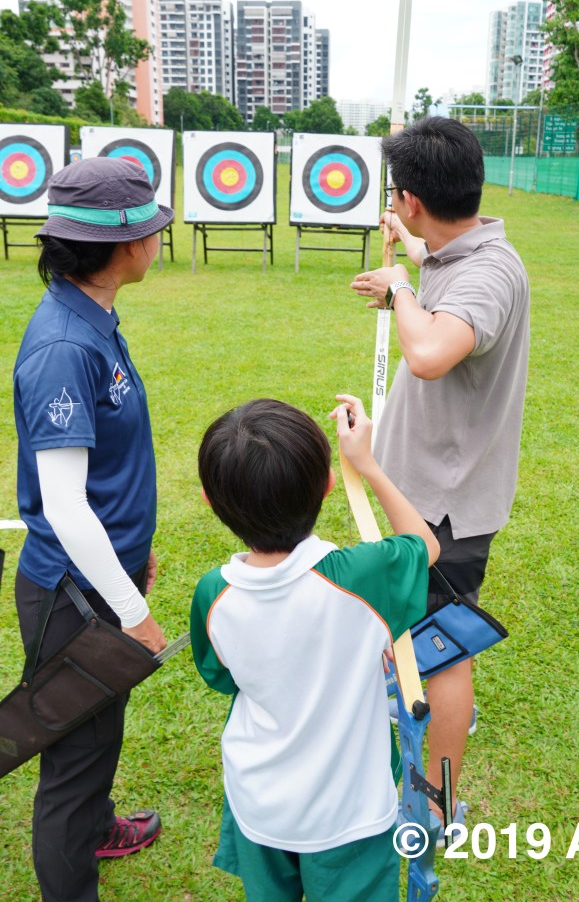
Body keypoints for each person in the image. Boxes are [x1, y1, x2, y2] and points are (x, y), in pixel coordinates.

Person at [350, 116, 530, 833]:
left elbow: (428, 355)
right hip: (423, 492)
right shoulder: (459, 249)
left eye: (396, 196)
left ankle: (437, 805)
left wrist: (400, 288)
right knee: (414, 635)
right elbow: (435, 261)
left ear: (413, 197)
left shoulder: (486, 274)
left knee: (444, 653)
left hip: (445, 506)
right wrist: (408, 253)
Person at [190, 394, 440, 902]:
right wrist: (367, 464)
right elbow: (426, 545)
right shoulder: (363, 576)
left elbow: (220, 677)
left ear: (209, 502)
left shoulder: (213, 593)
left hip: (258, 804)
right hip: (351, 815)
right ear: (328, 485)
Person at [13, 156, 172, 902]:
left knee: (97, 726)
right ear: (124, 245)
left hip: (101, 574)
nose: (158, 239)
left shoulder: (90, 316)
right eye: (152, 229)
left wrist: (133, 555)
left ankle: (99, 827)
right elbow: (66, 505)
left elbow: (105, 473)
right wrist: (133, 612)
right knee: (73, 758)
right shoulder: (65, 347)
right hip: (74, 594)